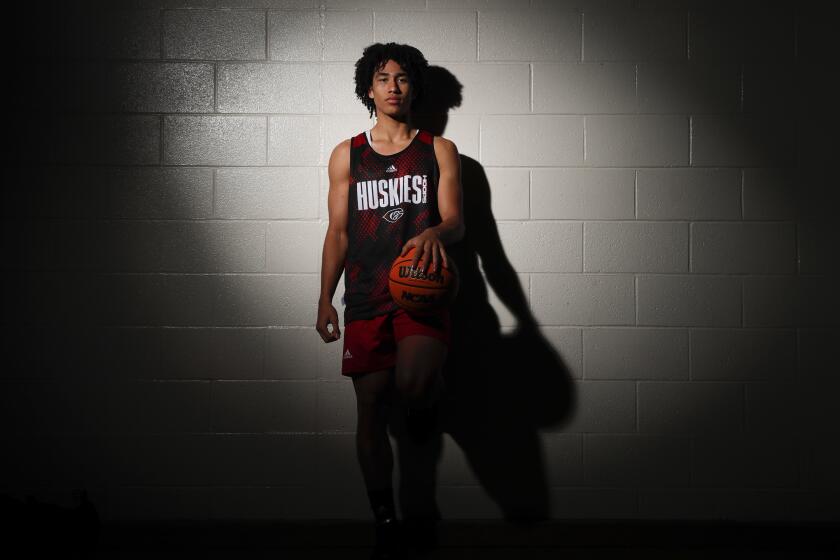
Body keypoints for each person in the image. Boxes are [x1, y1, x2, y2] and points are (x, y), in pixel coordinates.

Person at [315, 42, 464, 558]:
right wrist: (324, 299)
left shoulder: (438, 149)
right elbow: (337, 233)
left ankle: (426, 400)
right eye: (383, 78)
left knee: (414, 382)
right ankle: (383, 514)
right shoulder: (347, 154)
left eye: (402, 78)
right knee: (371, 408)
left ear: (414, 87)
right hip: (364, 293)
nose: (394, 86)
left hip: (421, 289)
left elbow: (456, 222)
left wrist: (435, 236)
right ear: (369, 88)